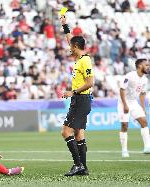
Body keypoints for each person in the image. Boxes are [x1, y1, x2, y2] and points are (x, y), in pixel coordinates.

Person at [60, 15, 94, 176]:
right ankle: (84, 168)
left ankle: (77, 164)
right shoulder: (80, 58)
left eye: (71, 46)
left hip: (80, 99)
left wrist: (72, 92)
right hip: (81, 100)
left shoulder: (85, 61)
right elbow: (70, 39)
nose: (69, 47)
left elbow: (90, 82)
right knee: (79, 133)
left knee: (66, 132)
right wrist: (65, 25)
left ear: (75, 47)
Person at [118, 59, 150, 157]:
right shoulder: (130, 76)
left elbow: (142, 94)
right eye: (147, 65)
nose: (148, 67)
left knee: (144, 121)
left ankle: (147, 147)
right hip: (123, 102)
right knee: (125, 125)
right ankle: (124, 150)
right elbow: (122, 89)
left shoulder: (145, 79)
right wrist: (125, 105)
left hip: (134, 102)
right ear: (140, 66)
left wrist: (143, 107)